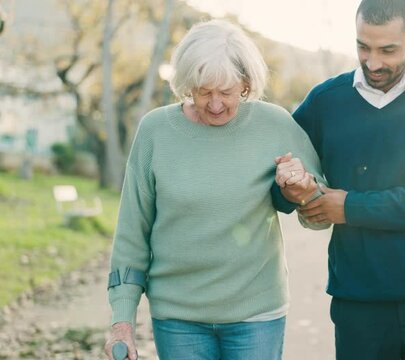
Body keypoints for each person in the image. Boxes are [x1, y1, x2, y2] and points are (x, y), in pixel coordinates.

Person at [104, 19, 323, 360]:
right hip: (178, 318)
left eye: (227, 91)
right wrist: (122, 319)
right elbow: (132, 232)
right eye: (204, 91)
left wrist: (304, 190)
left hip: (256, 316)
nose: (216, 103)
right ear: (187, 84)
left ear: (246, 84)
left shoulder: (274, 124)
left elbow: (320, 212)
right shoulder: (155, 132)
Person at [292, 0, 405, 358]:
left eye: (387, 50)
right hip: (358, 299)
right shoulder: (326, 101)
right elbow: (283, 175)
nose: (373, 62)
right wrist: (297, 191)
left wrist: (351, 208)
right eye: (363, 46)